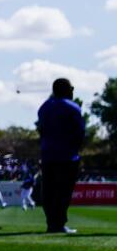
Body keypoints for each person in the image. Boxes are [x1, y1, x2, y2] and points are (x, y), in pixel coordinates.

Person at [37, 78, 86, 233]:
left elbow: (42, 130)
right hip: (67, 156)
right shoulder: (73, 107)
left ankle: (51, 223)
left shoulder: (44, 107)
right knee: (63, 191)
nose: (73, 90)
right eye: (71, 88)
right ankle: (59, 224)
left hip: (48, 155)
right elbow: (80, 132)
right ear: (66, 89)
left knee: (49, 191)